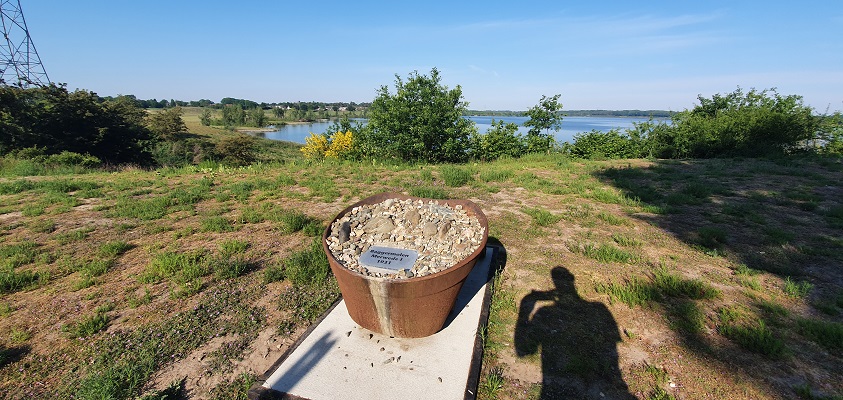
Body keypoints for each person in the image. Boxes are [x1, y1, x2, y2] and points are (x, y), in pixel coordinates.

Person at [514, 267, 634, 399]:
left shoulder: (545, 312)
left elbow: (524, 351)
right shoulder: (600, 310)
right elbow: (611, 351)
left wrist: (527, 304)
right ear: (572, 279)